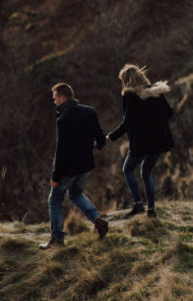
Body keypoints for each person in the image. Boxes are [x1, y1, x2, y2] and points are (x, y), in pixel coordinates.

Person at [40, 83, 110, 249]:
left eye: (55, 99)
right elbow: (100, 140)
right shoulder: (89, 111)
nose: (54, 102)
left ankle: (57, 239)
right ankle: (98, 221)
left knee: (55, 199)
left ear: (62, 98)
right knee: (75, 194)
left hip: (68, 170)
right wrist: (93, 144)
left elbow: (61, 151)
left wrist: (55, 177)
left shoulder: (63, 119)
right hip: (85, 166)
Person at [107, 64, 174, 218]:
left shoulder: (130, 96)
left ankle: (138, 205)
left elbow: (127, 123)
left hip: (142, 143)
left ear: (126, 80)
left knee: (127, 170)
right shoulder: (156, 92)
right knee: (146, 172)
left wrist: (110, 137)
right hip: (159, 142)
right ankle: (151, 210)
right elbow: (169, 113)